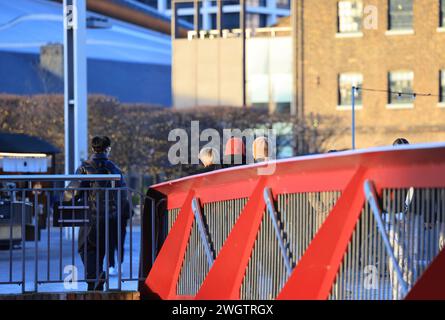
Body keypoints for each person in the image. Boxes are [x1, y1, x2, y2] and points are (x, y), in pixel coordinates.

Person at [64, 136, 129, 291]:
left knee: (85, 247)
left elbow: (72, 193)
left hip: (91, 217)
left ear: (93, 149)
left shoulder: (84, 168)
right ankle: (96, 281)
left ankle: (95, 277)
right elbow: (123, 194)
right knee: (100, 249)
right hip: (111, 218)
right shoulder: (115, 169)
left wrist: (66, 203)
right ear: (108, 149)